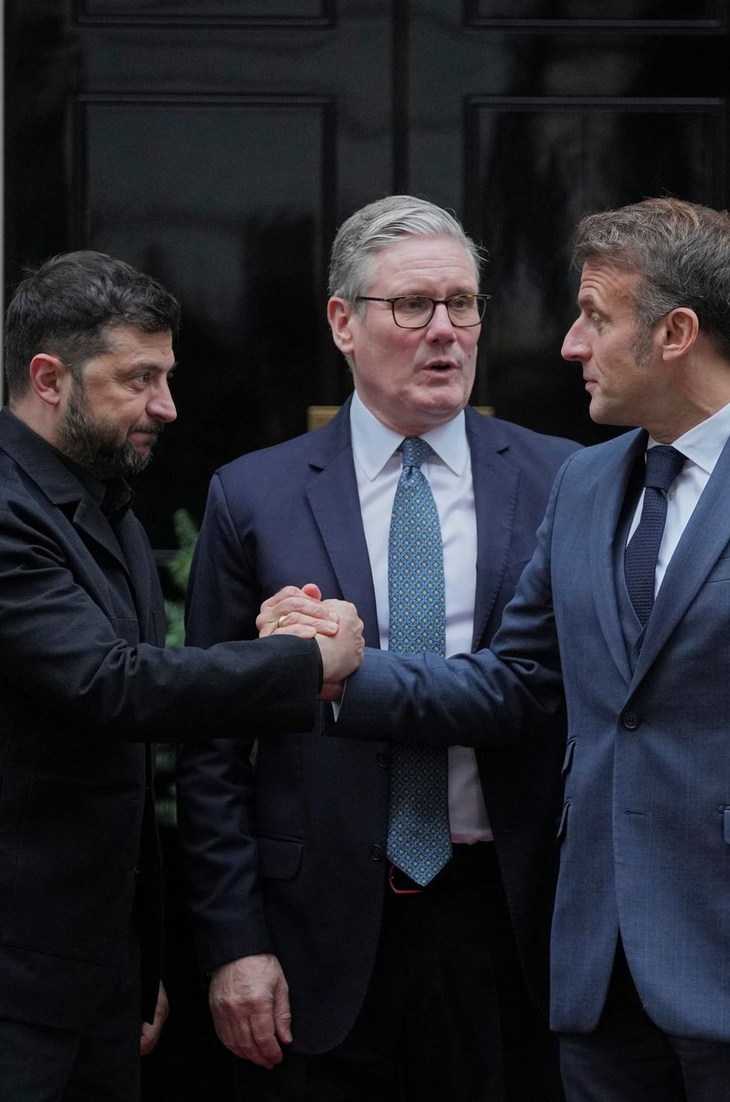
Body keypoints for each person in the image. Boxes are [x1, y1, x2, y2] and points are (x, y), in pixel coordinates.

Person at [270, 197, 730, 1102]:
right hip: (599, 973)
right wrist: (347, 673)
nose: (570, 344)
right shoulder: (584, 480)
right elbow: (516, 682)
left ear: (676, 332)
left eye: (596, 317)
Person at [173, 196, 578, 1101]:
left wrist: (347, 676)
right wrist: (234, 942)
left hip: (509, 918)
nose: (447, 331)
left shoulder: (564, 482)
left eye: (463, 303)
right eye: (413, 306)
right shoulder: (254, 495)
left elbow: (553, 692)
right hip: (316, 926)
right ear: (343, 322)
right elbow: (210, 748)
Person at [0, 251, 362, 1102]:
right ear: (50, 378)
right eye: (140, 379)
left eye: (167, 376)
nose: (167, 406)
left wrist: (133, 956)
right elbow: (113, 685)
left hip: (89, 978)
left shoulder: (102, 501)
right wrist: (305, 660)